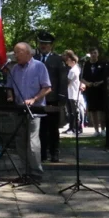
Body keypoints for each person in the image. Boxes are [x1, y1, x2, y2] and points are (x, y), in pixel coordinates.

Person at [6, 42, 52, 180]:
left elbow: (47, 87)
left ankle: (36, 172)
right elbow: (9, 86)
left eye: (17, 52)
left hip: (34, 110)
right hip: (19, 109)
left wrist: (34, 98)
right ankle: (25, 172)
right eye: (14, 53)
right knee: (20, 142)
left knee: (32, 142)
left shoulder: (39, 66)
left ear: (27, 53)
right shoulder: (13, 69)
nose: (15, 55)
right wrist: (9, 96)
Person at [35, 31, 65, 162]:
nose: (43, 46)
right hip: (38, 98)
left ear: (51, 46)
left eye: (46, 44)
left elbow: (62, 80)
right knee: (40, 128)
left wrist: (62, 96)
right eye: (41, 43)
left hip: (52, 98)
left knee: (53, 128)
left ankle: (54, 152)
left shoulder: (57, 60)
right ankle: (42, 153)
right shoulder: (34, 59)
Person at [81, 47, 109, 136]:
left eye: (95, 53)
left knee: (101, 110)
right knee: (93, 110)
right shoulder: (86, 65)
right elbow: (81, 77)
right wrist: (87, 83)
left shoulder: (102, 64)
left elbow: (106, 77)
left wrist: (99, 83)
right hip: (90, 90)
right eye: (92, 53)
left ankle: (103, 129)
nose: (93, 54)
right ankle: (96, 130)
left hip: (100, 90)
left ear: (98, 54)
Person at [61, 50, 82, 134]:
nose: (67, 62)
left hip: (73, 94)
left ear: (72, 60)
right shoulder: (76, 69)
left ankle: (76, 128)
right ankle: (73, 127)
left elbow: (68, 81)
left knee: (74, 112)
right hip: (72, 93)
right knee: (72, 112)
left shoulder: (73, 70)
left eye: (68, 60)